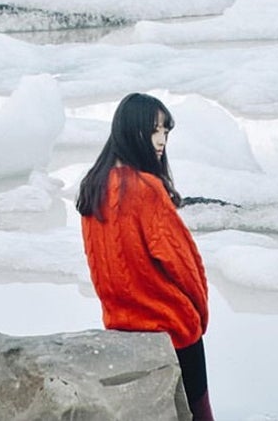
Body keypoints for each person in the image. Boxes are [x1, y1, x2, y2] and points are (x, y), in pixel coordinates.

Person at [77, 93, 215, 420]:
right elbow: (182, 262)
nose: (161, 140)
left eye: (165, 132)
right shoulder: (145, 188)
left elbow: (102, 263)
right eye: (154, 130)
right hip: (171, 328)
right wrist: (198, 316)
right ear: (131, 129)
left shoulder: (93, 186)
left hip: (120, 327)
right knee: (199, 414)